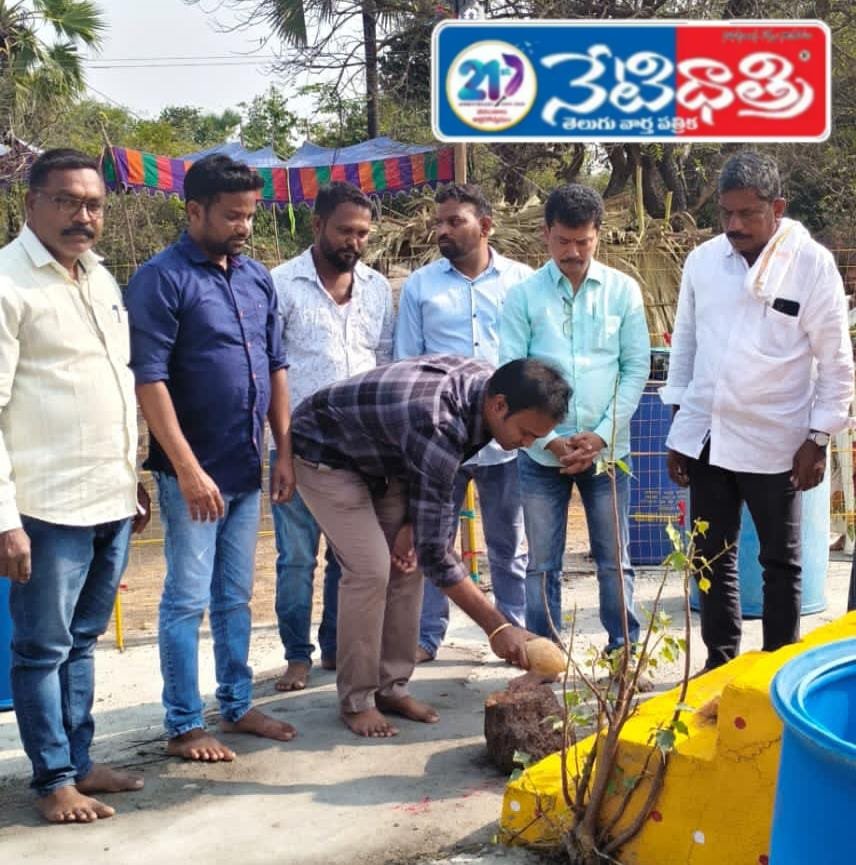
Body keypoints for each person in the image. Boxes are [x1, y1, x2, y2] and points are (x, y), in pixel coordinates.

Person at [290, 356, 569, 737]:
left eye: (536, 438)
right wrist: (498, 627)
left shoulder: (485, 392)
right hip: (325, 452)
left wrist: (412, 523)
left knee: (408, 562)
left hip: (389, 458)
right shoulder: (439, 421)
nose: (527, 444)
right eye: (526, 433)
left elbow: (445, 474)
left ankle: (391, 688)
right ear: (499, 405)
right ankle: (357, 702)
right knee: (370, 569)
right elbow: (440, 552)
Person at [124, 154, 297, 762]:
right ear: (194, 210)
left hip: (246, 470)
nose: (243, 227)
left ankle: (239, 703)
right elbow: (150, 380)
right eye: (231, 216)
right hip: (190, 476)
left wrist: (283, 451)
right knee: (185, 599)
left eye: (249, 215)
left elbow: (276, 368)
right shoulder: (160, 279)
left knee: (234, 596)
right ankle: (182, 723)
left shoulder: (256, 279)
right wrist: (189, 469)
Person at [0, 148, 150, 823]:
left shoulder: (100, 278)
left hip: (109, 498)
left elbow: (116, 383)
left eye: (92, 204)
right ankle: (53, 778)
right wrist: (5, 518)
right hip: (45, 504)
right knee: (41, 649)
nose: (81, 216)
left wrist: (133, 478)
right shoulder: (8, 283)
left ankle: (81, 760)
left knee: (83, 640)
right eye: (66, 200)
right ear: (31, 203)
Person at [663, 151, 854, 671]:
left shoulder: (812, 266)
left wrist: (819, 439)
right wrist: (680, 430)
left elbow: (836, 360)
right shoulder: (704, 261)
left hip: (779, 442)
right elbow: (685, 346)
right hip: (708, 436)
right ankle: (719, 665)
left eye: (747, 214)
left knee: (781, 563)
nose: (735, 225)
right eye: (726, 213)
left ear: (778, 208)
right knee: (711, 559)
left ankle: (775, 669)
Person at [500, 184, 650, 653]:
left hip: (607, 453)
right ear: (545, 234)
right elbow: (510, 371)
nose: (573, 251)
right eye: (563, 241)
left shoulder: (624, 291)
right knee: (542, 562)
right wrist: (550, 441)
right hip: (542, 455)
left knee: (615, 559)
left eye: (583, 241)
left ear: (598, 236)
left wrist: (603, 435)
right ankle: (545, 653)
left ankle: (623, 648)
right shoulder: (522, 297)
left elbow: (635, 367)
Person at [394, 184, 532, 663]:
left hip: (505, 437)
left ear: (485, 226)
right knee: (435, 539)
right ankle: (426, 636)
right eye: (439, 222)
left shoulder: (521, 282)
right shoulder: (420, 286)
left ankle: (513, 633)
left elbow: (532, 358)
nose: (443, 231)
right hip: (442, 439)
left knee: (509, 542)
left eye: (454, 221)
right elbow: (406, 363)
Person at [270, 181, 393, 691]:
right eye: (345, 230)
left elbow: (384, 364)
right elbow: (270, 368)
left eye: (363, 233)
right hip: (297, 451)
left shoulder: (378, 288)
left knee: (351, 559)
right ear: (317, 225)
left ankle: (335, 648)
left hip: (358, 452)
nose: (355, 242)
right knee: (296, 558)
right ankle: (296, 655)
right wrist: (281, 450)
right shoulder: (278, 285)